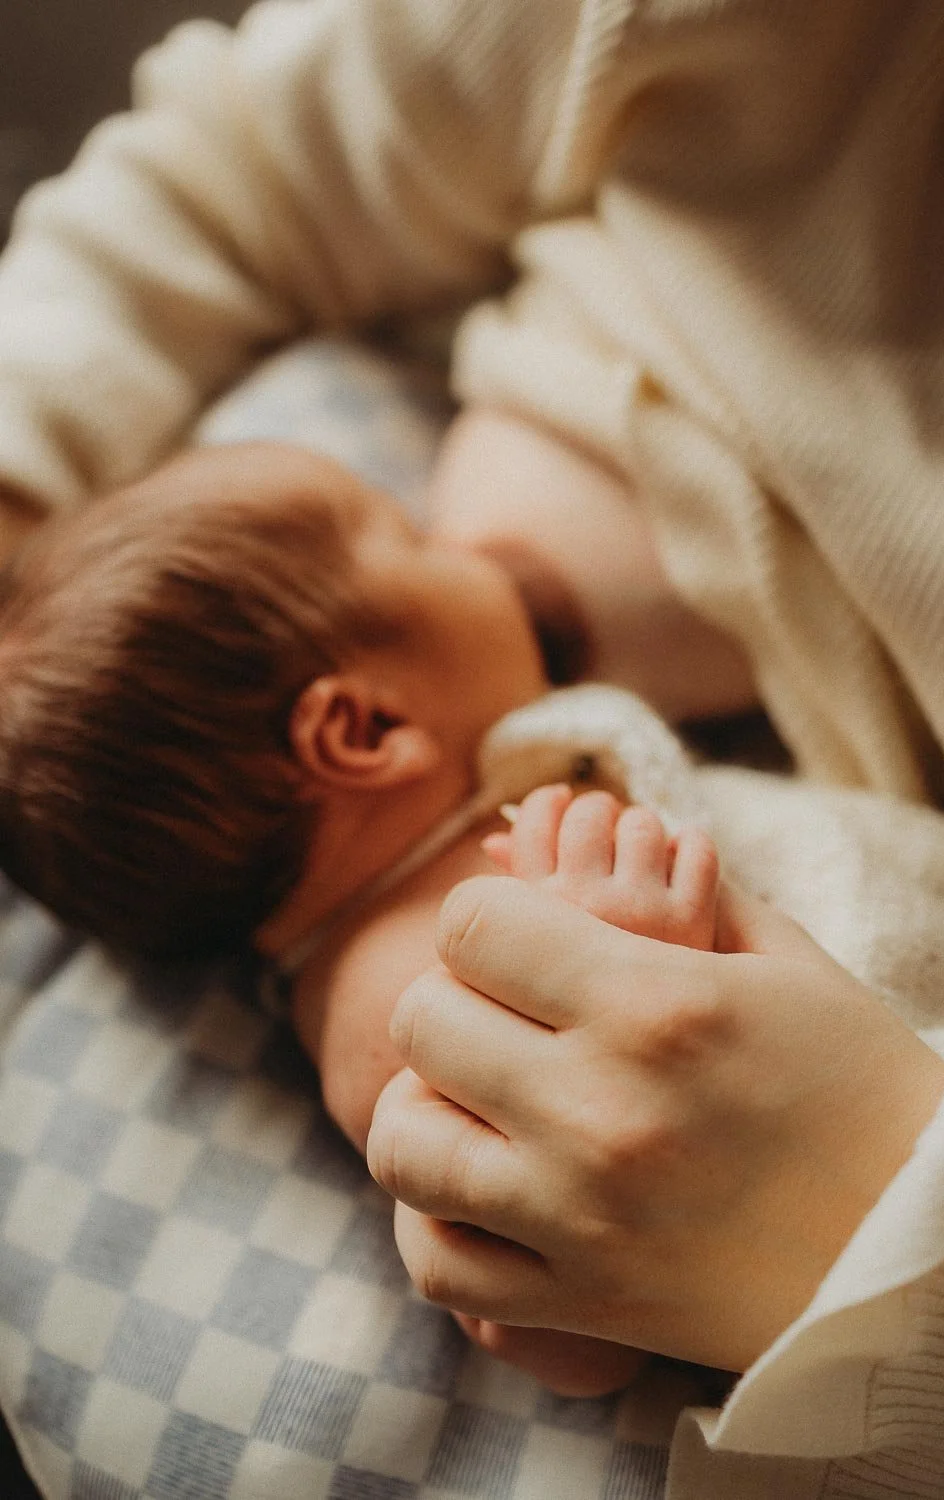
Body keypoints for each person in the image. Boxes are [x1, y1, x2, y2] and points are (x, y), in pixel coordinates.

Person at [0, 0, 944, 1492]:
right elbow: (559, 1299)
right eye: (404, 532)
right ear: (362, 727)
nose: (439, 523)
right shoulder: (406, 981)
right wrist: (640, 947)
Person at [0, 436, 724, 1397]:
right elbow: (569, 1340)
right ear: (365, 731)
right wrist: (643, 966)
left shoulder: (453, 843)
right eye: (418, 539)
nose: (468, 544)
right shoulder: (393, 1000)